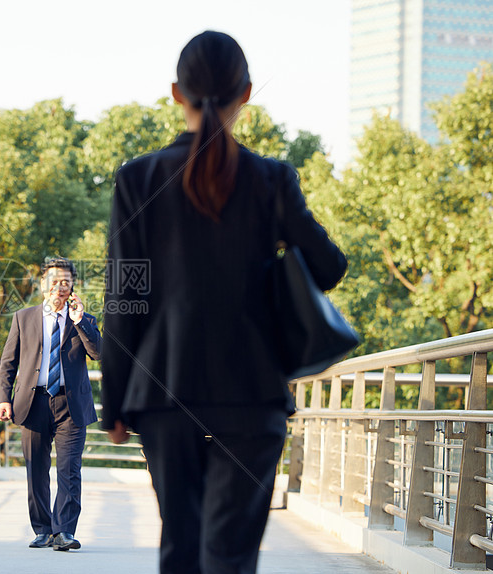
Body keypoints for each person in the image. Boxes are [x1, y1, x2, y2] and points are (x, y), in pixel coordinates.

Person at [101, 31, 348, 574]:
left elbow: (124, 296)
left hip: (164, 394)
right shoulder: (272, 178)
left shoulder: (137, 179)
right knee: (230, 559)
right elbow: (329, 266)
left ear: (175, 93)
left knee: (180, 550)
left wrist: (114, 403)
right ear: (248, 93)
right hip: (253, 394)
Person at [0, 257, 102, 551]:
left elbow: (98, 354)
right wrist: (3, 399)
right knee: (36, 470)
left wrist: (80, 321)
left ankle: (64, 531)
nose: (59, 286)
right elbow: (8, 363)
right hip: (33, 402)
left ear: (72, 287)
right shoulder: (24, 317)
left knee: (70, 470)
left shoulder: (84, 320)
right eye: (54, 280)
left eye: (65, 281)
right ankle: (42, 529)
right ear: (43, 284)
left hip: (71, 405)